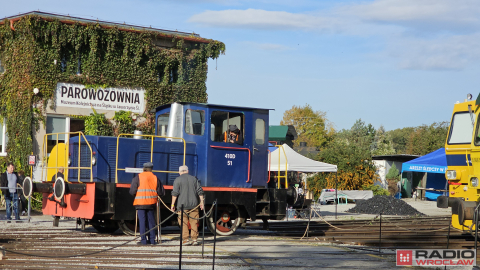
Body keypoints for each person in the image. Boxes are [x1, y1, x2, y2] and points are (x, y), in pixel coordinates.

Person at [129, 162, 164, 245]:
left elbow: (132, 191)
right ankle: (152, 240)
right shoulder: (155, 178)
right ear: (151, 169)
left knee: (142, 221)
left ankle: (143, 241)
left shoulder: (138, 177)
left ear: (144, 168)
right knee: (151, 221)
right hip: (151, 203)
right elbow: (161, 192)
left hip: (140, 203)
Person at [171, 165, 204, 246]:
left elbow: (175, 193)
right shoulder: (194, 179)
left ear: (180, 172)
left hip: (182, 206)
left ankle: (186, 240)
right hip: (194, 205)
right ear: (187, 171)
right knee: (194, 222)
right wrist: (202, 202)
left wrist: (172, 204)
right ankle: (194, 240)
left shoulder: (177, 180)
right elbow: (200, 191)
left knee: (183, 223)